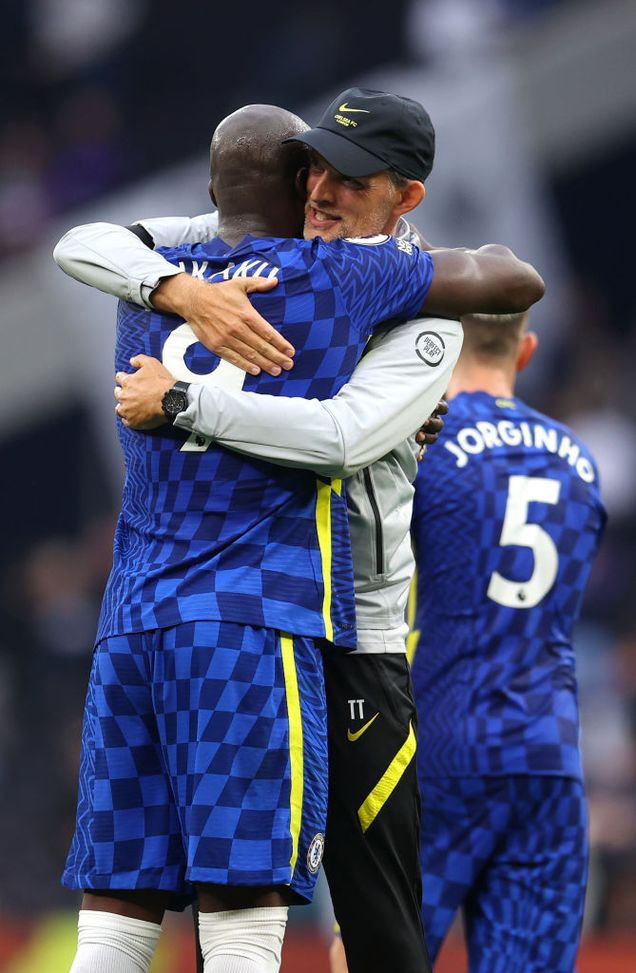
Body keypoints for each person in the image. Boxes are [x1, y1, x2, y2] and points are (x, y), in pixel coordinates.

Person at [56, 93, 544, 973]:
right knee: (241, 895)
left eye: (349, 178)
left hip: (341, 628)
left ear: (407, 198)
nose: (321, 188)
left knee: (369, 915)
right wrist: (179, 291)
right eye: (310, 165)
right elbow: (507, 273)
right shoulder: (259, 270)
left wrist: (178, 394)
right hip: (262, 614)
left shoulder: (402, 300)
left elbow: (347, 437)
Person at [409, 312, 606, 972]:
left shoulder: (422, 440)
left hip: (443, 741)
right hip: (548, 748)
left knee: (376, 953)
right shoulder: (579, 458)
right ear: (526, 350)